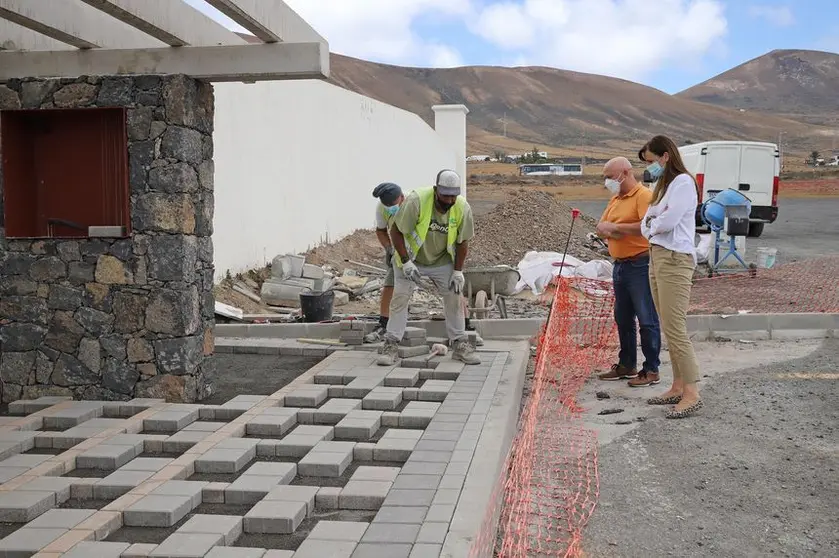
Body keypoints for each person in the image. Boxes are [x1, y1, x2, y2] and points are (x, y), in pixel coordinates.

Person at [378, 169, 480, 366]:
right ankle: (391, 345)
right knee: (400, 298)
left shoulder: (462, 208)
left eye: (453, 196)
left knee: (454, 296)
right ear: (436, 190)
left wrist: (458, 272)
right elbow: (396, 231)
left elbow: (463, 242)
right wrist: (406, 262)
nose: (449, 201)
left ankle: (459, 343)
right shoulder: (417, 201)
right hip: (411, 258)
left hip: (442, 261)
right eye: (445, 196)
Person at [640, 135, 703, 419]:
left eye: (652, 161)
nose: (650, 168)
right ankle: (677, 386)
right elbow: (648, 220)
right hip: (658, 256)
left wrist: (653, 224)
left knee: (675, 326)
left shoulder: (683, 184)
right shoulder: (663, 186)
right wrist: (653, 225)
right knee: (667, 323)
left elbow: (667, 220)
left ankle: (692, 393)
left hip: (675, 259)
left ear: (665, 157)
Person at [596, 157, 661, 387]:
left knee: (646, 318)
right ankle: (627, 364)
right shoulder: (616, 198)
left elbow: (647, 227)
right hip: (620, 265)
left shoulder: (643, 196)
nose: (608, 182)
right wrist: (612, 231)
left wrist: (615, 229)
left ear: (625, 172)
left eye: (610, 177)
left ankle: (651, 368)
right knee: (623, 318)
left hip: (640, 265)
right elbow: (602, 226)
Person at [364, 182, 405, 343]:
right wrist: (389, 248)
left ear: (402, 197)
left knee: (447, 285)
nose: (390, 208)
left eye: (392, 205)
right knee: (389, 284)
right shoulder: (382, 208)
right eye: (386, 205)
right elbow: (381, 230)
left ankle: (464, 326)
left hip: (421, 247)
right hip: (399, 250)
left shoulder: (413, 203)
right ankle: (384, 323)